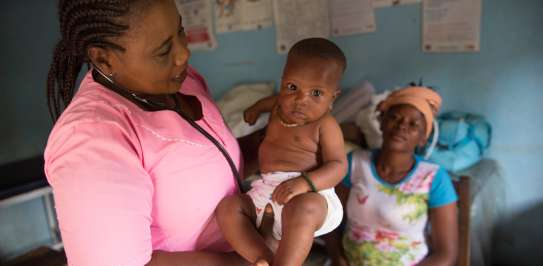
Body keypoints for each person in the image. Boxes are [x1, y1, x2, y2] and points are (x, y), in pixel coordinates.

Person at [44, 0, 272, 265]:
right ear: (102, 58)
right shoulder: (90, 138)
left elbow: (214, 169)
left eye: (180, 31)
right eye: (163, 51)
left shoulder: (183, 82)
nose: (183, 54)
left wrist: (283, 140)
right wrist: (247, 261)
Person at [216, 38, 348, 266]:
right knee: (228, 208)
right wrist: (256, 108)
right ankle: (262, 257)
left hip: (311, 194)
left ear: (332, 98)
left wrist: (304, 184)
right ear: (283, 82)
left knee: (303, 209)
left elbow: (338, 166)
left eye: (316, 93)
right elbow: (272, 101)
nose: (300, 100)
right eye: (292, 87)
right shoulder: (280, 105)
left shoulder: (325, 125)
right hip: (266, 190)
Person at [325, 86, 459, 266]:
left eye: (413, 124)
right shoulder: (355, 163)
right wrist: (338, 259)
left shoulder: (434, 177)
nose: (402, 126)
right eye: (394, 118)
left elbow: (446, 254)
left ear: (423, 138)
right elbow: (330, 220)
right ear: (381, 122)